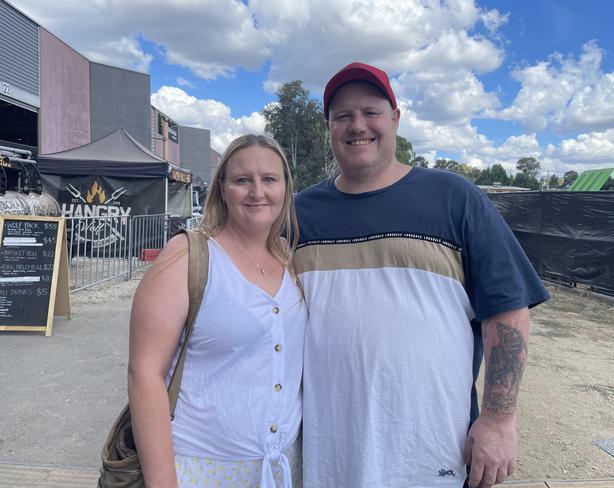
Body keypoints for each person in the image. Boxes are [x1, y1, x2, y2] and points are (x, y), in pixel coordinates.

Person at [294, 62, 550, 488]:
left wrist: (499, 419)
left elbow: (506, 310)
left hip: (433, 452)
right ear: (328, 127)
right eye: (342, 116)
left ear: (395, 118)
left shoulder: (454, 197)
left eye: (371, 112)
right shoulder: (299, 214)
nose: (357, 125)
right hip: (329, 454)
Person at [128, 134, 306, 488]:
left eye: (269, 179)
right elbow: (144, 374)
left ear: (285, 187)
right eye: (243, 180)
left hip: (277, 469)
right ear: (222, 188)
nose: (258, 192)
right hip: (199, 471)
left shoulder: (291, 259)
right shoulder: (187, 256)